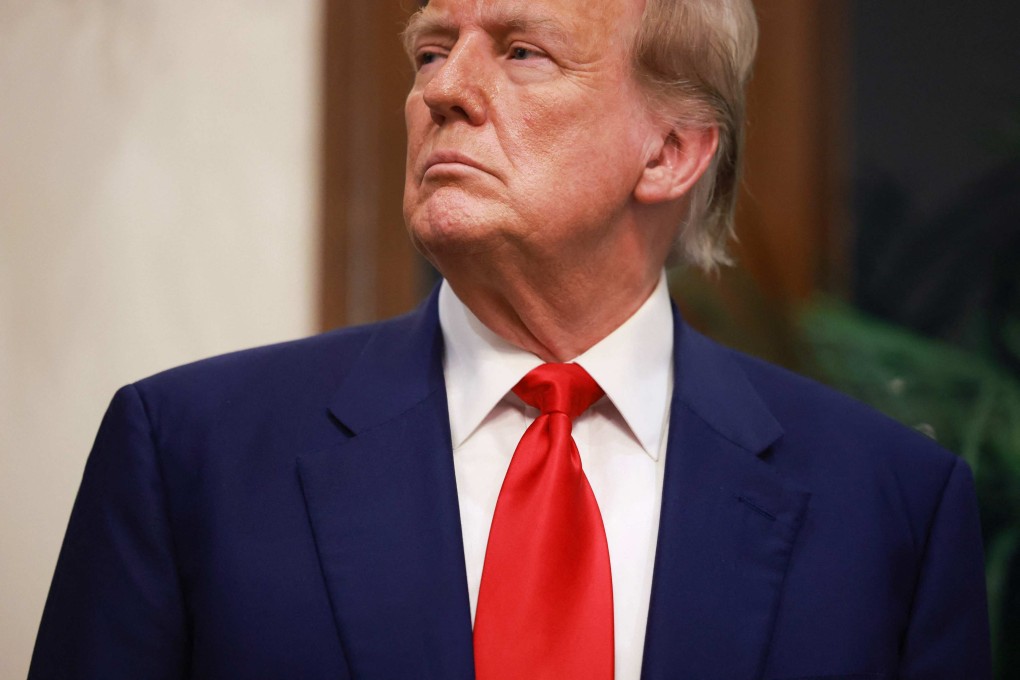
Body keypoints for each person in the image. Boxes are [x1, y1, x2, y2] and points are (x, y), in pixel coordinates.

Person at [30, 0, 991, 678]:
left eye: (522, 51)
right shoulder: (187, 453)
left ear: (668, 151)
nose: (445, 90)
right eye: (431, 51)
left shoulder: (891, 509)